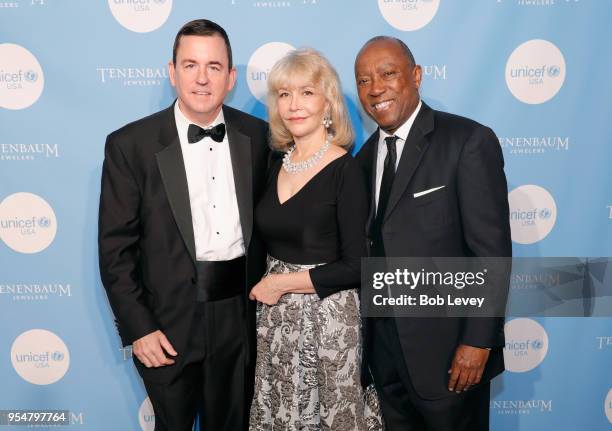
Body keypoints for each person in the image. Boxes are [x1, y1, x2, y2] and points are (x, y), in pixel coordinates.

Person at [98, 19, 269, 431]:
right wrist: (140, 328)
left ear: (230, 78)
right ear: (171, 72)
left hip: (240, 317)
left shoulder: (261, 137)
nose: (202, 78)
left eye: (214, 67)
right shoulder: (130, 145)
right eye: (190, 65)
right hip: (166, 323)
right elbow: (115, 250)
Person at [354, 36, 512, 431]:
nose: (375, 88)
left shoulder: (467, 141)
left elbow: (490, 252)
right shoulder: (362, 158)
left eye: (388, 73)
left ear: (417, 75)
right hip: (384, 357)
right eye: (363, 80)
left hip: (450, 355)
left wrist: (478, 341)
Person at [248, 48, 382, 430]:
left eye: (306, 92)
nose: (294, 104)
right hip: (276, 324)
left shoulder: (345, 169)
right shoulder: (277, 164)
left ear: (328, 102)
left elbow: (358, 265)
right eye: (284, 94)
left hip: (326, 323)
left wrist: (282, 283)